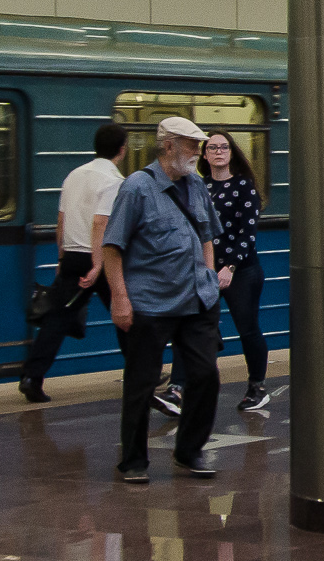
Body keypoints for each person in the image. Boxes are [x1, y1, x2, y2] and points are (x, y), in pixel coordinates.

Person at [99, 116, 226, 484]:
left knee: (205, 375)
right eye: (191, 144)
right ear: (169, 146)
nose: (198, 151)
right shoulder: (137, 188)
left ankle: (189, 450)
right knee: (142, 383)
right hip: (150, 303)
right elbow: (112, 247)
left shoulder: (197, 184)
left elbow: (206, 235)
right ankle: (133, 461)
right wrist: (120, 299)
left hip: (196, 300)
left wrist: (208, 278)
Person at [23, 123, 132, 403]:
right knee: (124, 314)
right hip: (99, 258)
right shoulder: (114, 181)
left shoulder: (74, 175)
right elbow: (101, 223)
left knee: (56, 320)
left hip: (71, 256)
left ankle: (31, 377)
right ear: (122, 150)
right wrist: (97, 265)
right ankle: (141, 372)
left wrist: (61, 257)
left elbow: (61, 221)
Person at [199, 132, 270, 416]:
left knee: (247, 328)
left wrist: (229, 267)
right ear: (204, 155)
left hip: (242, 272)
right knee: (196, 327)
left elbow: (247, 234)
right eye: (212, 147)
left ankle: (257, 387)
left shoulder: (244, 187)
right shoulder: (200, 187)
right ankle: (179, 389)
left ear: (231, 152)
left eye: (223, 147)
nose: (218, 151)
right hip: (207, 271)